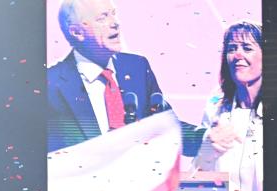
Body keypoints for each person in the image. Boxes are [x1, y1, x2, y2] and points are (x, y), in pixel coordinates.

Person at [48, 0, 204, 155]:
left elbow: (166, 127)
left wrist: (206, 139)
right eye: (102, 18)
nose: (115, 23)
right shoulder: (51, 85)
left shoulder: (137, 68)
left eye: (113, 14)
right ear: (77, 32)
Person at [194, 21, 263, 191]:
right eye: (232, 48)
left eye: (247, 48)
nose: (238, 55)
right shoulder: (216, 105)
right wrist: (207, 144)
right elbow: (198, 170)